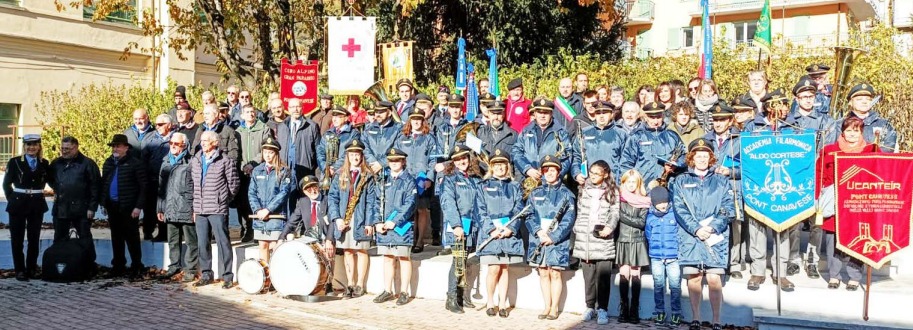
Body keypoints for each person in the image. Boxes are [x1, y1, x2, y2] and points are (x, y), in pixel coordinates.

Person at [672, 138, 734, 330]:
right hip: (691, 237)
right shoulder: (681, 181)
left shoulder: (721, 181)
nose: (701, 159)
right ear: (691, 157)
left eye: (705, 156)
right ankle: (696, 318)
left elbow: (728, 207)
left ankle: (716, 320)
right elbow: (679, 208)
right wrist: (696, 229)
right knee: (695, 277)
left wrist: (713, 226)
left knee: (715, 278)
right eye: (698, 156)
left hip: (715, 237)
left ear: (711, 158)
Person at [743, 89, 799, 291]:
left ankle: (780, 273)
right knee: (757, 231)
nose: (782, 109)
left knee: (782, 229)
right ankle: (758, 272)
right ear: (767, 107)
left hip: (784, 186)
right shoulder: (753, 127)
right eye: (777, 105)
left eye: (784, 105)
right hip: (759, 186)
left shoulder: (792, 127)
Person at [816, 117, 875, 291]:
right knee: (832, 240)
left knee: (858, 239)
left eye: (856, 130)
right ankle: (834, 275)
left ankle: (855, 276)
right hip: (834, 202)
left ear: (861, 132)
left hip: (858, 203)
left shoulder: (871, 150)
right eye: (849, 130)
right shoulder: (829, 150)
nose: (852, 134)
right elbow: (819, 174)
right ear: (843, 132)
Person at [790, 76, 836, 279]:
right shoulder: (788, 121)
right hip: (795, 177)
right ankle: (792, 258)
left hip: (818, 177)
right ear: (797, 98)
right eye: (804, 96)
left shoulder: (826, 121)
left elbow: (829, 148)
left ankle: (812, 259)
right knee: (794, 220)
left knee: (817, 222)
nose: (808, 100)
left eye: (811, 96)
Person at [475, 149, 524, 318]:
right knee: (493, 268)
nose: (500, 168)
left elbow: (519, 209)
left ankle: (502, 303)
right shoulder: (483, 186)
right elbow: (479, 210)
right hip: (491, 235)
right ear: (491, 167)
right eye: (496, 165)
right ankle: (490, 301)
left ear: (507, 166)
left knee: (504, 269)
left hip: (508, 234)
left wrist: (512, 228)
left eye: (502, 164)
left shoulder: (515, 186)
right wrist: (491, 229)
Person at [526, 155, 576, 321]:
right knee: (543, 273)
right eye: (546, 170)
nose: (549, 173)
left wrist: (553, 237)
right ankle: (546, 306)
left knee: (555, 273)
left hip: (557, 241)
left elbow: (569, 220)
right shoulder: (535, 193)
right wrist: (538, 231)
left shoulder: (567, 194)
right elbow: (528, 215)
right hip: (539, 239)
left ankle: (554, 308)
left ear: (558, 172)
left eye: (552, 170)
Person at [328, 139, 378, 298]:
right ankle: (350, 283)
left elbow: (372, 201)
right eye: (352, 154)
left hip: (361, 217)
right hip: (344, 218)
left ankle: (360, 284)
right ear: (347, 156)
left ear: (362, 156)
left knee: (361, 250)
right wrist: (336, 218)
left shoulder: (367, 176)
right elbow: (332, 198)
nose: (355, 157)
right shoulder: (339, 175)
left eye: (358, 154)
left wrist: (370, 222)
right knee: (348, 250)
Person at [572, 160, 619, 325]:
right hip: (585, 238)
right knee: (588, 276)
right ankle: (589, 306)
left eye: (597, 173)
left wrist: (609, 227)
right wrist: (578, 229)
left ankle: (603, 309)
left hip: (603, 237)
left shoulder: (612, 190)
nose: (592, 176)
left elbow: (614, 212)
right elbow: (580, 211)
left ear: (605, 174)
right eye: (591, 173)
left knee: (603, 277)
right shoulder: (583, 189)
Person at [191, 130, 240, 289]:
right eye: (202, 140)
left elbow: (234, 185)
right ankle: (206, 274)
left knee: (223, 242)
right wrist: (195, 206)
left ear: (214, 143)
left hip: (217, 208)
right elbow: (193, 184)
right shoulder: (197, 159)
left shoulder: (225, 160)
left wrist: (223, 199)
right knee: (202, 243)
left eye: (206, 140)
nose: (202, 143)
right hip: (200, 208)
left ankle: (227, 276)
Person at [703, 103, 745, 279]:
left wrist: (731, 171)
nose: (718, 123)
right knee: (713, 224)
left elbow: (749, 168)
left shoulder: (740, 139)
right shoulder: (706, 139)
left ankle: (733, 263)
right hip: (712, 189)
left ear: (730, 120)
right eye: (715, 120)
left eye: (722, 119)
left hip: (733, 188)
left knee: (735, 226)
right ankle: (713, 260)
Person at [440, 145, 483, 314]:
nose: (461, 162)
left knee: (464, 260)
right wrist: (456, 225)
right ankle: (451, 298)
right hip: (458, 226)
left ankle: (461, 295)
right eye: (457, 159)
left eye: (463, 158)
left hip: (472, 226)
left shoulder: (475, 178)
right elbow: (448, 203)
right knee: (457, 261)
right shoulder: (449, 179)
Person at [372, 148, 417, 305]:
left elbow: (410, 204)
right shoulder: (383, 180)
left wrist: (395, 221)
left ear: (403, 161)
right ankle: (387, 290)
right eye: (391, 161)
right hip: (384, 228)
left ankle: (404, 291)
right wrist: (377, 222)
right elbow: (376, 202)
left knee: (404, 258)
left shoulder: (409, 180)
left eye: (397, 160)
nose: (394, 163)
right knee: (388, 258)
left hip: (401, 227)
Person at [4, 134, 50, 281]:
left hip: (36, 203)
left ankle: (31, 269)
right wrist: (12, 199)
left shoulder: (44, 163)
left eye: (35, 145)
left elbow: (51, 181)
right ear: (24, 147)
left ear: (39, 147)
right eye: (29, 145)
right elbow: (6, 184)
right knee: (17, 239)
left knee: (34, 238)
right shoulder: (15, 162)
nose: (32, 148)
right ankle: (20, 270)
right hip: (18, 203)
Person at [100, 134, 147, 278]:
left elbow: (144, 187)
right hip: (113, 206)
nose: (115, 148)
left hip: (129, 207)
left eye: (118, 146)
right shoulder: (109, 162)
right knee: (116, 237)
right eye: (113, 146)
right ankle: (118, 265)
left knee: (132, 238)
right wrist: (103, 202)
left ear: (126, 147)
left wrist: (138, 206)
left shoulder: (135, 163)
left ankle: (136, 266)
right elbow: (104, 183)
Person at [395, 107, 439, 253]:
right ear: (410, 120)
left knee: (421, 209)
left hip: (421, 179)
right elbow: (396, 158)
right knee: (407, 209)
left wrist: (429, 178)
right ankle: (409, 239)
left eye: (419, 119)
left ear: (423, 120)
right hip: (406, 179)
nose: (416, 122)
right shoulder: (402, 138)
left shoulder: (429, 138)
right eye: (413, 119)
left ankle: (419, 241)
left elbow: (433, 160)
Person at [156, 132, 198, 283]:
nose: (173, 146)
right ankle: (174, 266)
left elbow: (197, 187)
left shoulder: (192, 162)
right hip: (170, 206)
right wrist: (160, 208)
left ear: (184, 146)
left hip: (186, 206)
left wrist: (195, 208)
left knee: (191, 240)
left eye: (176, 144)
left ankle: (191, 269)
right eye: (171, 143)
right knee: (173, 240)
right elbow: (161, 188)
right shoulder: (165, 161)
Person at [283, 175, 336, 294]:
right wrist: (280, 239)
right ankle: (307, 282)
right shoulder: (302, 202)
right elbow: (292, 222)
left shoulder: (328, 200)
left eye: (314, 187)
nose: (312, 191)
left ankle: (328, 283)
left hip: (325, 237)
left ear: (319, 186)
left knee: (329, 251)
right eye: (308, 189)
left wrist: (329, 239)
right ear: (304, 192)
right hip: (309, 239)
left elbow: (333, 221)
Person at [48, 136, 101, 247]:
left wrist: (92, 207)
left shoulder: (88, 164)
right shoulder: (56, 163)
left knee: (85, 238)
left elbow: (95, 186)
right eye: (62, 148)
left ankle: (88, 262)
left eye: (67, 149)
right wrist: (58, 188)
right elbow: (50, 179)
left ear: (76, 147)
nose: (64, 151)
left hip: (82, 208)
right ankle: (61, 263)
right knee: (59, 238)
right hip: (61, 207)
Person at [248, 137, 294, 263]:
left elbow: (283, 193)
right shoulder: (257, 170)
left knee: (275, 246)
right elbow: (252, 192)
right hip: (260, 216)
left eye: (271, 152)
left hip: (276, 215)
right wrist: (257, 210)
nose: (268, 155)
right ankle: (266, 276)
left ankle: (275, 277)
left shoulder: (284, 171)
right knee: (262, 245)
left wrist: (268, 209)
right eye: (265, 152)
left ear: (276, 153)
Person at [620, 102, 685, 186]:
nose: (655, 121)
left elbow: (684, 156)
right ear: (646, 117)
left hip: (668, 186)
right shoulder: (636, 136)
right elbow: (626, 163)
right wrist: (626, 185)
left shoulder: (672, 136)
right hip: (642, 186)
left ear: (663, 116)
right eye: (652, 118)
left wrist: (676, 165)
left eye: (658, 117)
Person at [644, 186, 682, 326]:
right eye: (659, 203)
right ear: (654, 203)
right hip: (656, 257)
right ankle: (659, 311)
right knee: (658, 285)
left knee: (675, 285)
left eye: (665, 201)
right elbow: (648, 235)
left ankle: (676, 313)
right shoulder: (650, 217)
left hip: (673, 257)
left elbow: (679, 234)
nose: (663, 205)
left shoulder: (674, 215)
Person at [616, 169, 650, 324]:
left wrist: (623, 216)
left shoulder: (644, 200)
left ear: (638, 183)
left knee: (636, 274)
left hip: (637, 240)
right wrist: (622, 216)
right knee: (624, 273)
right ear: (623, 183)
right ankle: (623, 307)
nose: (630, 185)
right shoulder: (618, 199)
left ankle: (634, 308)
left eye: (633, 182)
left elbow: (641, 223)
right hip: (623, 239)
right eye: (627, 182)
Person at [237, 104, 274, 242]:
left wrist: (253, 163)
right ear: (242, 115)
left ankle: (259, 230)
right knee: (244, 202)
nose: (250, 114)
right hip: (243, 172)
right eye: (247, 112)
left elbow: (266, 148)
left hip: (259, 170)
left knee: (258, 200)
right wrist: (243, 166)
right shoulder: (238, 131)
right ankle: (247, 229)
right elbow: (237, 152)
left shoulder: (264, 128)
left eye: (252, 112)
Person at [511, 99, 572, 181]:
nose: (542, 116)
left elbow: (567, 157)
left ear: (551, 113)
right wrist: (527, 169)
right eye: (540, 112)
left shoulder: (561, 133)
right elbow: (516, 152)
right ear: (535, 113)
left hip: (551, 181)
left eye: (546, 113)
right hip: (528, 179)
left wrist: (554, 175)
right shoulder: (526, 131)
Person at [829, 83, 897, 152]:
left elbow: (888, 150)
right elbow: (833, 149)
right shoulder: (839, 125)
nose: (864, 102)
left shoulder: (884, 125)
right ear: (850, 102)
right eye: (859, 99)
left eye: (868, 99)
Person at [572, 101, 625, 184]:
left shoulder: (621, 134)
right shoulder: (584, 133)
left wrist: (621, 180)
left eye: (604, 113)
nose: (601, 116)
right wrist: (577, 173)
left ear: (611, 115)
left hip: (612, 184)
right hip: (589, 183)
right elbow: (576, 156)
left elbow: (626, 161)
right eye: (598, 113)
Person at [142, 114, 175, 241]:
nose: (157, 127)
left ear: (169, 125)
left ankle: (164, 233)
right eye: (156, 124)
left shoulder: (176, 138)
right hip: (152, 179)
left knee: (165, 207)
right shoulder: (149, 139)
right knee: (150, 207)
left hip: (169, 179)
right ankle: (147, 231)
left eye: (160, 124)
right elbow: (143, 159)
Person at [276, 98, 321, 182]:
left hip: (305, 172)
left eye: (298, 106)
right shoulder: (281, 126)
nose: (295, 109)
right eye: (292, 107)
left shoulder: (312, 126)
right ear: (288, 109)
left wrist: (317, 173)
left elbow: (319, 150)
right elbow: (277, 150)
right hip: (285, 172)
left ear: (302, 108)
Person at [317, 105, 362, 188]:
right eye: (333, 116)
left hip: (344, 173)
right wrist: (325, 168)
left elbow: (348, 153)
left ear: (346, 118)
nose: (334, 119)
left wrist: (334, 168)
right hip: (326, 174)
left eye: (338, 117)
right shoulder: (328, 133)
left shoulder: (353, 133)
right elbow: (320, 151)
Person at [476, 100, 518, 174]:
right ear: (488, 114)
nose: (496, 117)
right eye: (493, 114)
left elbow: (517, 160)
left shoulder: (513, 134)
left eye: (499, 114)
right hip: (484, 176)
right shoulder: (480, 132)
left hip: (506, 177)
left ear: (504, 114)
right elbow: (474, 157)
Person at [364, 101, 403, 175]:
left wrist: (381, 163)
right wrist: (373, 163)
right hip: (371, 169)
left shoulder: (398, 129)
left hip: (390, 170)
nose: (378, 115)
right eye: (376, 112)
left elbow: (398, 148)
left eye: (381, 112)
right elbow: (364, 147)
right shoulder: (368, 129)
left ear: (389, 113)